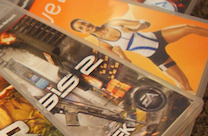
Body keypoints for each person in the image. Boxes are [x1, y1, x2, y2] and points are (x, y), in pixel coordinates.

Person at [70, 17, 208, 91]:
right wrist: (121, 54)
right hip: (155, 55)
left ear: (87, 20)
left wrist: (135, 29)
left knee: (188, 28)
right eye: (81, 28)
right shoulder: (103, 45)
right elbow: (127, 64)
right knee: (182, 84)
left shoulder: (113, 22)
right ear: (82, 32)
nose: (85, 26)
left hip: (158, 37)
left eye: (83, 22)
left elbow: (145, 23)